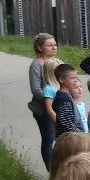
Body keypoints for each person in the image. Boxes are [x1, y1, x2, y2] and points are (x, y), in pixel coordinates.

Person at [28, 33, 59, 168]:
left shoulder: (57, 62)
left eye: (55, 45)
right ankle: (51, 169)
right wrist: (52, 100)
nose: (54, 47)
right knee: (49, 139)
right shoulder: (37, 65)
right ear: (40, 48)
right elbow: (36, 90)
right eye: (49, 45)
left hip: (59, 107)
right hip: (44, 110)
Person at [52, 63, 87, 137]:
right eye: (72, 78)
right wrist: (81, 135)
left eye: (76, 77)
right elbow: (66, 123)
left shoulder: (67, 96)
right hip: (69, 139)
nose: (75, 80)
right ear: (61, 80)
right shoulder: (63, 99)